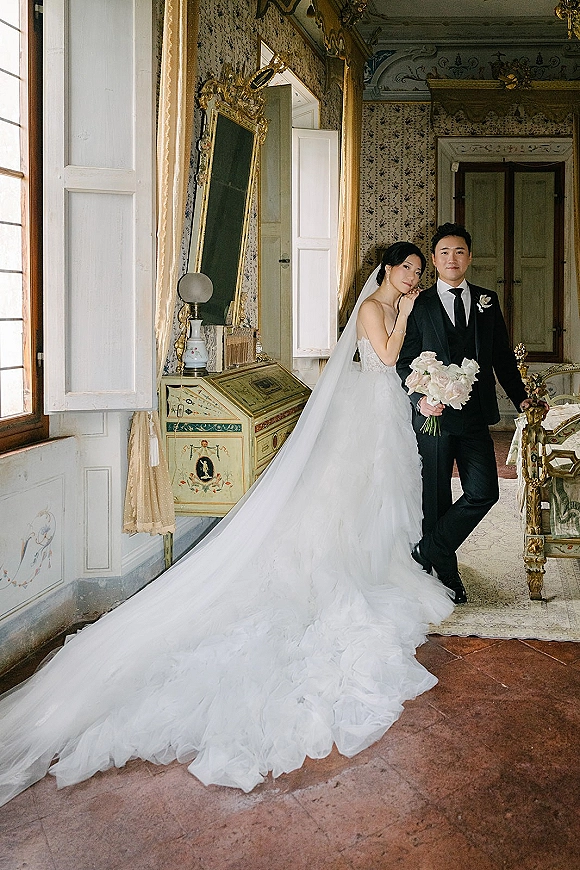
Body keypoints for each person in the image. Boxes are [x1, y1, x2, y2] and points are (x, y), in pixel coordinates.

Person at [0, 243, 453, 808]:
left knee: (376, 499)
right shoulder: (375, 310)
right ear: (387, 270)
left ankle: (374, 562)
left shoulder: (390, 305)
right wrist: (405, 320)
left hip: (382, 408)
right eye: (408, 268)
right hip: (370, 408)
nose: (414, 276)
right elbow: (384, 359)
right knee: (351, 499)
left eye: (418, 271)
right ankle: (349, 568)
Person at [397, 222, 537, 604]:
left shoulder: (487, 301)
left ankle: (430, 549)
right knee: (436, 497)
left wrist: (521, 397)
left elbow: (502, 358)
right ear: (435, 261)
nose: (452, 259)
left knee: (483, 492)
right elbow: (404, 360)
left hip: (474, 416)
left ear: (469, 257)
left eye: (459, 252)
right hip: (434, 417)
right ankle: (448, 574)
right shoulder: (418, 303)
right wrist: (420, 400)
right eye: (444, 253)